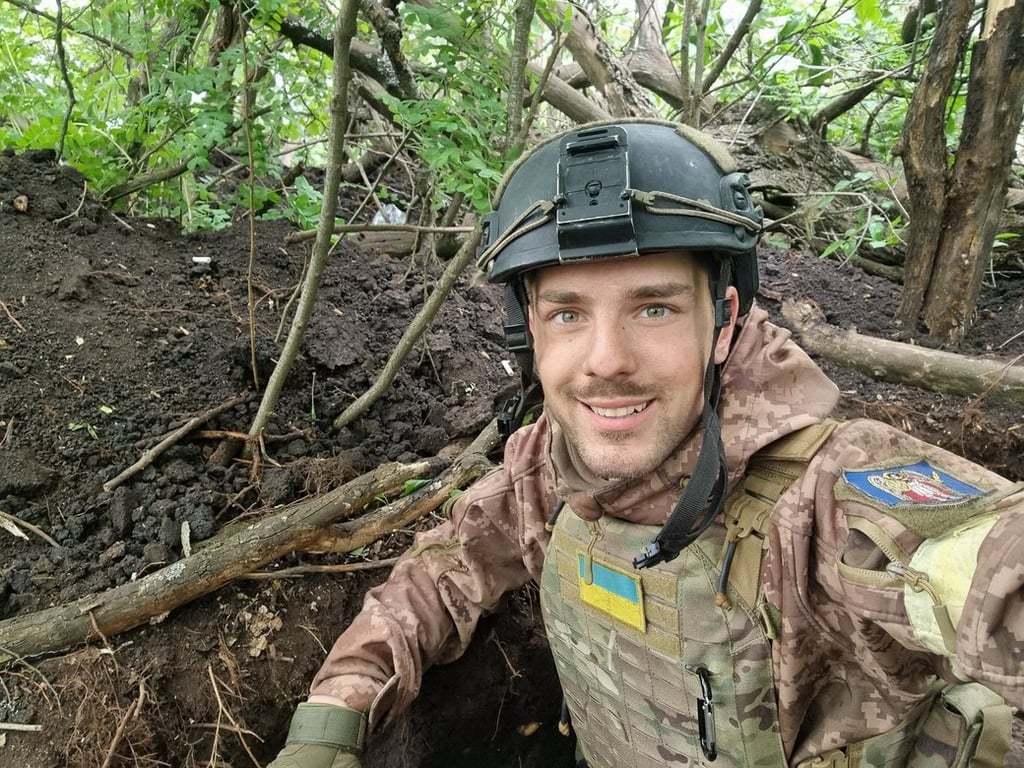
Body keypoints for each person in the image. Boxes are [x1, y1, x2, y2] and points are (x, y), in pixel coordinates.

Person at [269, 120, 1024, 768]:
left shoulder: (830, 499)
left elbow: (989, 572)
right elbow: (445, 570)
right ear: (531, 332)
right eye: (568, 314)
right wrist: (334, 714)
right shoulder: (549, 462)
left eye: (653, 307)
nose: (606, 361)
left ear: (723, 321)